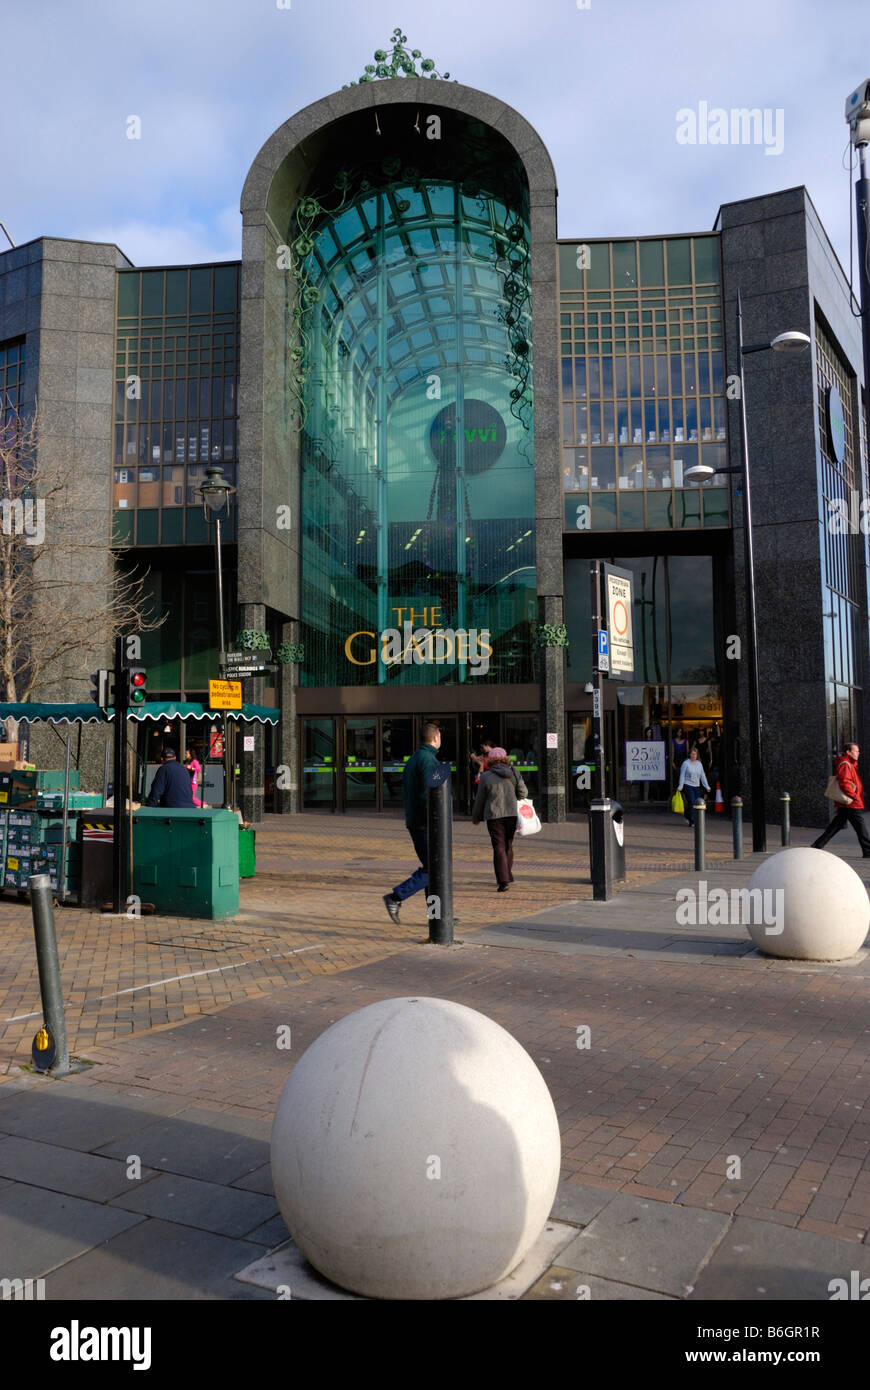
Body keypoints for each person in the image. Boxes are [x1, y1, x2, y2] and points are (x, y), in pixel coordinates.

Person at [383, 723, 442, 923]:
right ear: (435, 738)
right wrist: (436, 820)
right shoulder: (429, 760)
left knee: (431, 868)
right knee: (434, 868)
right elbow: (431, 795)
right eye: (440, 736)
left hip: (415, 821)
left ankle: (437, 916)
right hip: (425, 824)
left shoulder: (415, 758)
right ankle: (396, 896)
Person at [471, 746, 528, 891]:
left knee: (499, 846)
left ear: (490, 760)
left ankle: (503, 880)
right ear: (505, 758)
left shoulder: (486, 776)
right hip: (511, 814)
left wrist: (476, 817)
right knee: (508, 844)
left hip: (494, 816)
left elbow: (480, 800)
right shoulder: (514, 772)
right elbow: (523, 793)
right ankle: (507, 875)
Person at [811, 743, 870, 856]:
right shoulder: (845, 764)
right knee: (861, 828)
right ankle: (868, 851)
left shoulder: (850, 764)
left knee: (836, 825)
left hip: (849, 802)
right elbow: (844, 782)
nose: (858, 753)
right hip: (850, 802)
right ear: (848, 752)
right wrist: (854, 796)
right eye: (856, 751)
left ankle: (817, 845)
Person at [676, 747, 710, 828]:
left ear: (697, 755)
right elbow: (682, 775)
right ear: (689, 755)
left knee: (697, 803)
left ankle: (687, 814)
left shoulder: (699, 764)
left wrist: (706, 786)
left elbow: (702, 776)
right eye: (692, 754)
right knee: (691, 801)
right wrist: (680, 786)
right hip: (688, 785)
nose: (693, 755)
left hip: (697, 786)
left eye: (695, 754)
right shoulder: (686, 763)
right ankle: (692, 821)